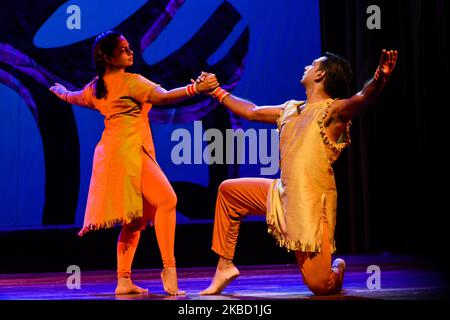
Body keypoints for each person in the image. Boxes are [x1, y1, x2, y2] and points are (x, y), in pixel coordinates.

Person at [199, 49, 398, 295]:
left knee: (320, 286)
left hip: (310, 207)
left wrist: (379, 78)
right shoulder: (289, 109)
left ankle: (337, 268)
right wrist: (217, 91)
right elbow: (251, 111)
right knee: (229, 191)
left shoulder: (333, 112)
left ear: (321, 74)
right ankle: (224, 267)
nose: (307, 66)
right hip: (281, 194)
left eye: (313, 64)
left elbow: (362, 97)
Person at [49, 31, 219, 295]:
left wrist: (62, 93)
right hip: (128, 153)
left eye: (129, 48)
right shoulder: (130, 82)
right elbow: (162, 97)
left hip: (113, 154)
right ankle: (169, 267)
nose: (131, 52)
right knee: (167, 200)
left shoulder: (97, 86)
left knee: (137, 220)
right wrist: (195, 88)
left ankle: (123, 280)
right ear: (109, 57)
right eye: (124, 49)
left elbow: (75, 97)